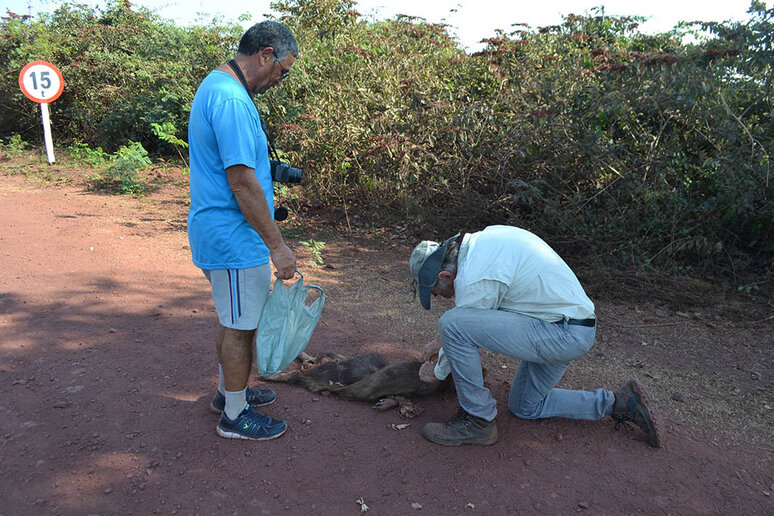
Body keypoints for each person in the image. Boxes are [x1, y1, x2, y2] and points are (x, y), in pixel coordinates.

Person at [409, 225, 663, 447]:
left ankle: (477, 422)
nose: (441, 297)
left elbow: (460, 324)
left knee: (451, 324)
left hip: (560, 332)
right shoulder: (480, 246)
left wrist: (438, 372)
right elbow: (476, 316)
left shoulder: (476, 278)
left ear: (445, 275)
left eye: (435, 292)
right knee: (526, 407)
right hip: (568, 326)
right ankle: (619, 403)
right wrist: (442, 342)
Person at [187, 21, 298, 441]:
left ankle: (228, 394)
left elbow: (238, 167)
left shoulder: (222, 88)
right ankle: (234, 417)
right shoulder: (232, 99)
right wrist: (278, 245)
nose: (281, 79)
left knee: (232, 316)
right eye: (282, 70)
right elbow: (241, 181)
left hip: (224, 232)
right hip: (235, 237)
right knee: (240, 326)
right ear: (265, 54)